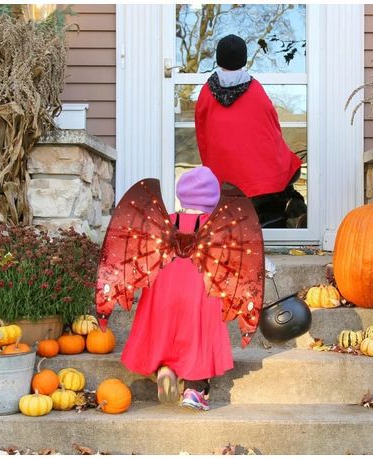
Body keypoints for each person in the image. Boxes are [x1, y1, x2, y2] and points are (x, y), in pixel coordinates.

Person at [120, 166, 234, 411]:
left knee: (166, 331)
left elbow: (144, 256)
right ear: (213, 200)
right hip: (199, 294)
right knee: (197, 338)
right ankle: (194, 389)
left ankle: (166, 369)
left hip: (164, 291)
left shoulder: (165, 223)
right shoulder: (216, 227)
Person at [195, 34, 306, 228]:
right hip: (260, 170)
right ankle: (281, 218)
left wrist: (209, 166)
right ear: (243, 59)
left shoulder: (206, 91)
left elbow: (201, 133)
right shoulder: (254, 89)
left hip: (224, 170)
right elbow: (272, 125)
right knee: (288, 168)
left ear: (219, 59)